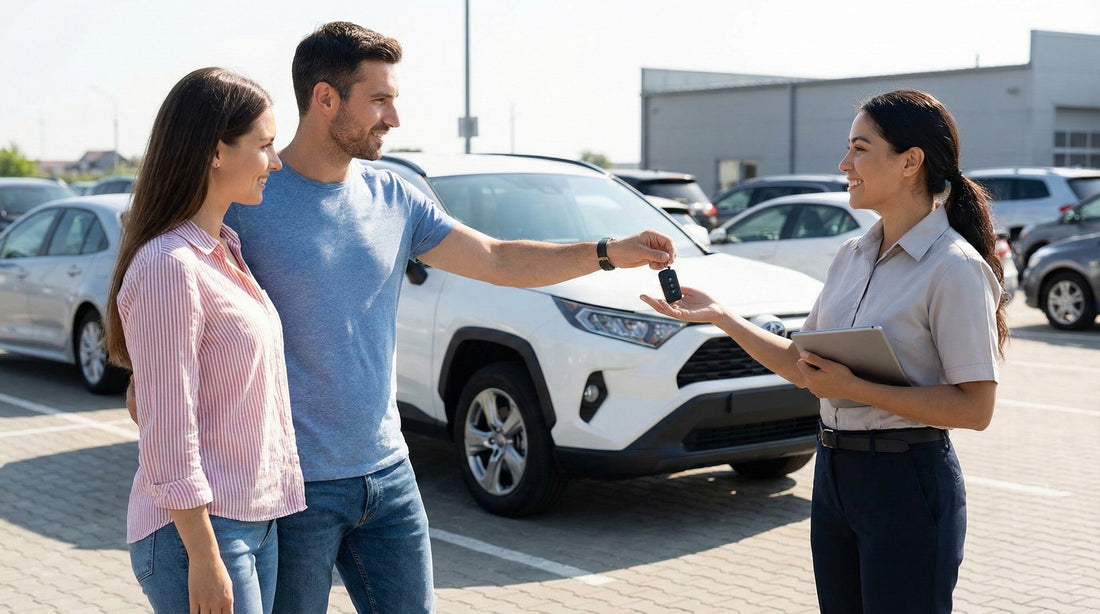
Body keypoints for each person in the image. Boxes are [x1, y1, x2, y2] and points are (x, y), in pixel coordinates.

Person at [217, 22, 675, 614]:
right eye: (379, 100)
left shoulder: (395, 196)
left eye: (394, 101)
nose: (393, 119)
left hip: (388, 476)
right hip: (290, 487)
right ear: (325, 98)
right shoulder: (249, 198)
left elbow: (496, 258)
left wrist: (608, 252)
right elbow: (173, 287)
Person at [642, 89, 1008, 614]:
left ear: (910, 161)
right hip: (836, 475)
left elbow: (976, 409)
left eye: (860, 148)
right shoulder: (851, 254)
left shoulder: (955, 268)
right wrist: (722, 316)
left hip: (908, 483)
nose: (844, 164)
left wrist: (853, 389)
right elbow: (802, 365)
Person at [107, 67, 305, 614]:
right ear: (216, 151)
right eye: (264, 145)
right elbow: (169, 427)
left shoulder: (224, 252)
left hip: (253, 524)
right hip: (199, 535)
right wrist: (204, 554)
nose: (277, 161)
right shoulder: (171, 266)